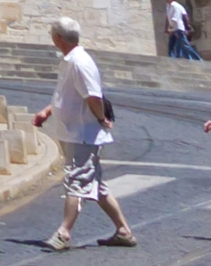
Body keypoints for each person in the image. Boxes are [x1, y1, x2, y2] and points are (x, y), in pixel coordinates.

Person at [40, 17, 139, 251]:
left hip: (83, 134)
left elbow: (93, 97)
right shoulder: (70, 61)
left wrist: (101, 118)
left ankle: (64, 233)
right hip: (73, 132)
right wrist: (47, 111)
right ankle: (123, 231)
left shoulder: (80, 62)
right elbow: (66, 95)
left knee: (75, 181)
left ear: (57, 38)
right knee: (96, 185)